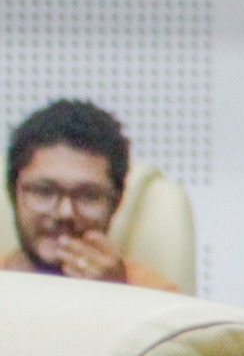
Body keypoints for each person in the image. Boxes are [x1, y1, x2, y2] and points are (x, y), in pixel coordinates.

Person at [5, 99, 175, 288]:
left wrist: (117, 295)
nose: (65, 213)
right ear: (13, 193)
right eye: (44, 192)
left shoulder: (159, 299)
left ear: (116, 202)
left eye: (88, 196)